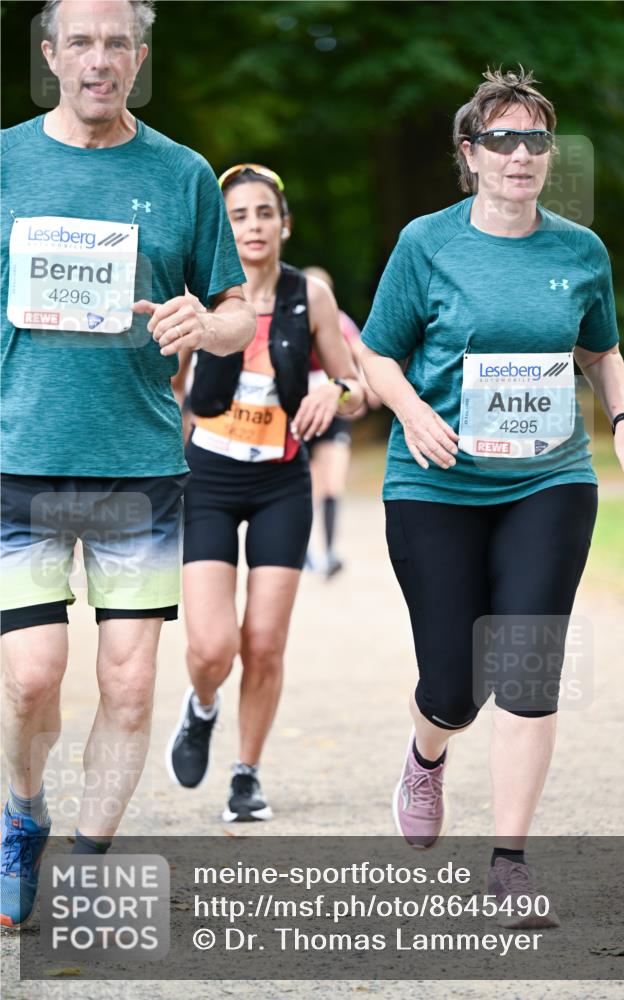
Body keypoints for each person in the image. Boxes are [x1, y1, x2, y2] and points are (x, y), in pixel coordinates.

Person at [360, 68, 624, 926]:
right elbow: (377, 354)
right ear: (470, 154)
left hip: (548, 480)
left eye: (532, 140)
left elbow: (599, 349)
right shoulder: (427, 244)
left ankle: (509, 861)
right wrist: (411, 411)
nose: (519, 155)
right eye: (500, 140)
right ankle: (426, 752)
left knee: (525, 667)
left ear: (547, 155)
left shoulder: (578, 251)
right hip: (436, 484)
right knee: (454, 684)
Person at [0, 0, 254, 929]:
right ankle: (21, 817)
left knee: (132, 681)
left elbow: (233, 310)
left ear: (138, 57)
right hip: (18, 458)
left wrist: (209, 324)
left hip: (137, 464)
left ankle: (88, 862)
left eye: (117, 43)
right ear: (51, 54)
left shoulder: (182, 174)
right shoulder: (5, 161)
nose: (99, 59)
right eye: (82, 42)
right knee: (29, 678)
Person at [166, 165, 363, 821]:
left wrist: (331, 391)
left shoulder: (311, 297)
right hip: (211, 481)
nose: (251, 226)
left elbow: (354, 388)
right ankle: (200, 707)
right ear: (222, 229)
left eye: (262, 213)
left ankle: (246, 775)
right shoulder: (197, 297)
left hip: (282, 482)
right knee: (210, 647)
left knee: (265, 643)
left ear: (284, 223)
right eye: (237, 216)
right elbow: (167, 385)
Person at [302, 266, 382, 579]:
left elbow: (361, 353)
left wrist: (368, 386)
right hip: (303, 409)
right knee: (308, 485)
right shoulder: (290, 317)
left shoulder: (339, 320)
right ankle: (304, 549)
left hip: (335, 405)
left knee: (333, 481)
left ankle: (331, 551)